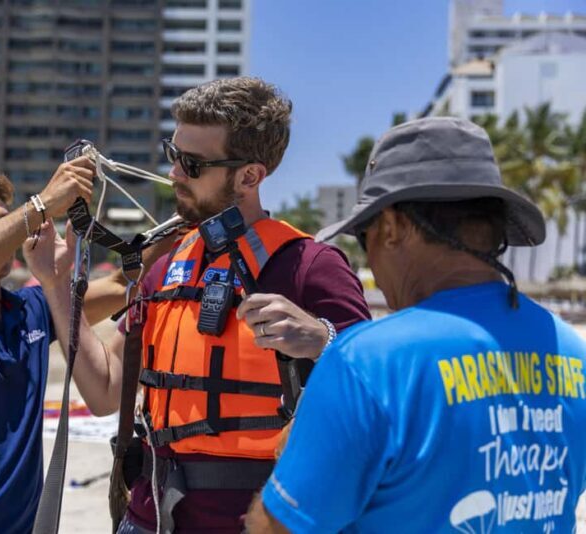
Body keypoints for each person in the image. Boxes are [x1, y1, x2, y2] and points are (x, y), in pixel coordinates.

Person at [27, 77, 370, 533]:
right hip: (149, 513)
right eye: (174, 155)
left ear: (250, 176)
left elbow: (376, 387)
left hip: (257, 520)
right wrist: (56, 284)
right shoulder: (166, 266)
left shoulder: (311, 265)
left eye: (191, 164)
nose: (174, 174)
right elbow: (104, 390)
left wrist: (323, 339)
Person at [245, 117, 586, 533]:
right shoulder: (571, 351)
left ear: (390, 228)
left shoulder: (368, 362)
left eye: (364, 236)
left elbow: (276, 527)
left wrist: (295, 453)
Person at [0, 162, 168, 533]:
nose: (5, 235)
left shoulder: (31, 308)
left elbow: (123, 285)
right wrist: (42, 203)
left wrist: (194, 214)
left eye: (5, 222)